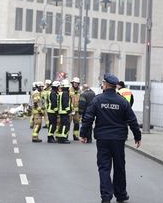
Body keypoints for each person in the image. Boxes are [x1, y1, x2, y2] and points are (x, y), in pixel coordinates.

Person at [80, 73, 141, 203]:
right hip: (118, 139)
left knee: (104, 167)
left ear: (106, 85)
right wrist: (137, 136)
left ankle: (106, 197)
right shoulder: (122, 101)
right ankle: (121, 195)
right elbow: (132, 120)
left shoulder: (98, 100)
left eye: (103, 83)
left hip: (102, 139)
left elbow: (88, 118)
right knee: (119, 166)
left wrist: (83, 134)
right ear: (115, 86)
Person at [56, 79, 71, 144]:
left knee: (62, 125)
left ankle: (59, 137)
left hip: (61, 111)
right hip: (64, 112)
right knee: (66, 125)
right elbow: (65, 103)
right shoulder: (65, 93)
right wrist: (69, 111)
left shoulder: (61, 93)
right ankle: (63, 138)